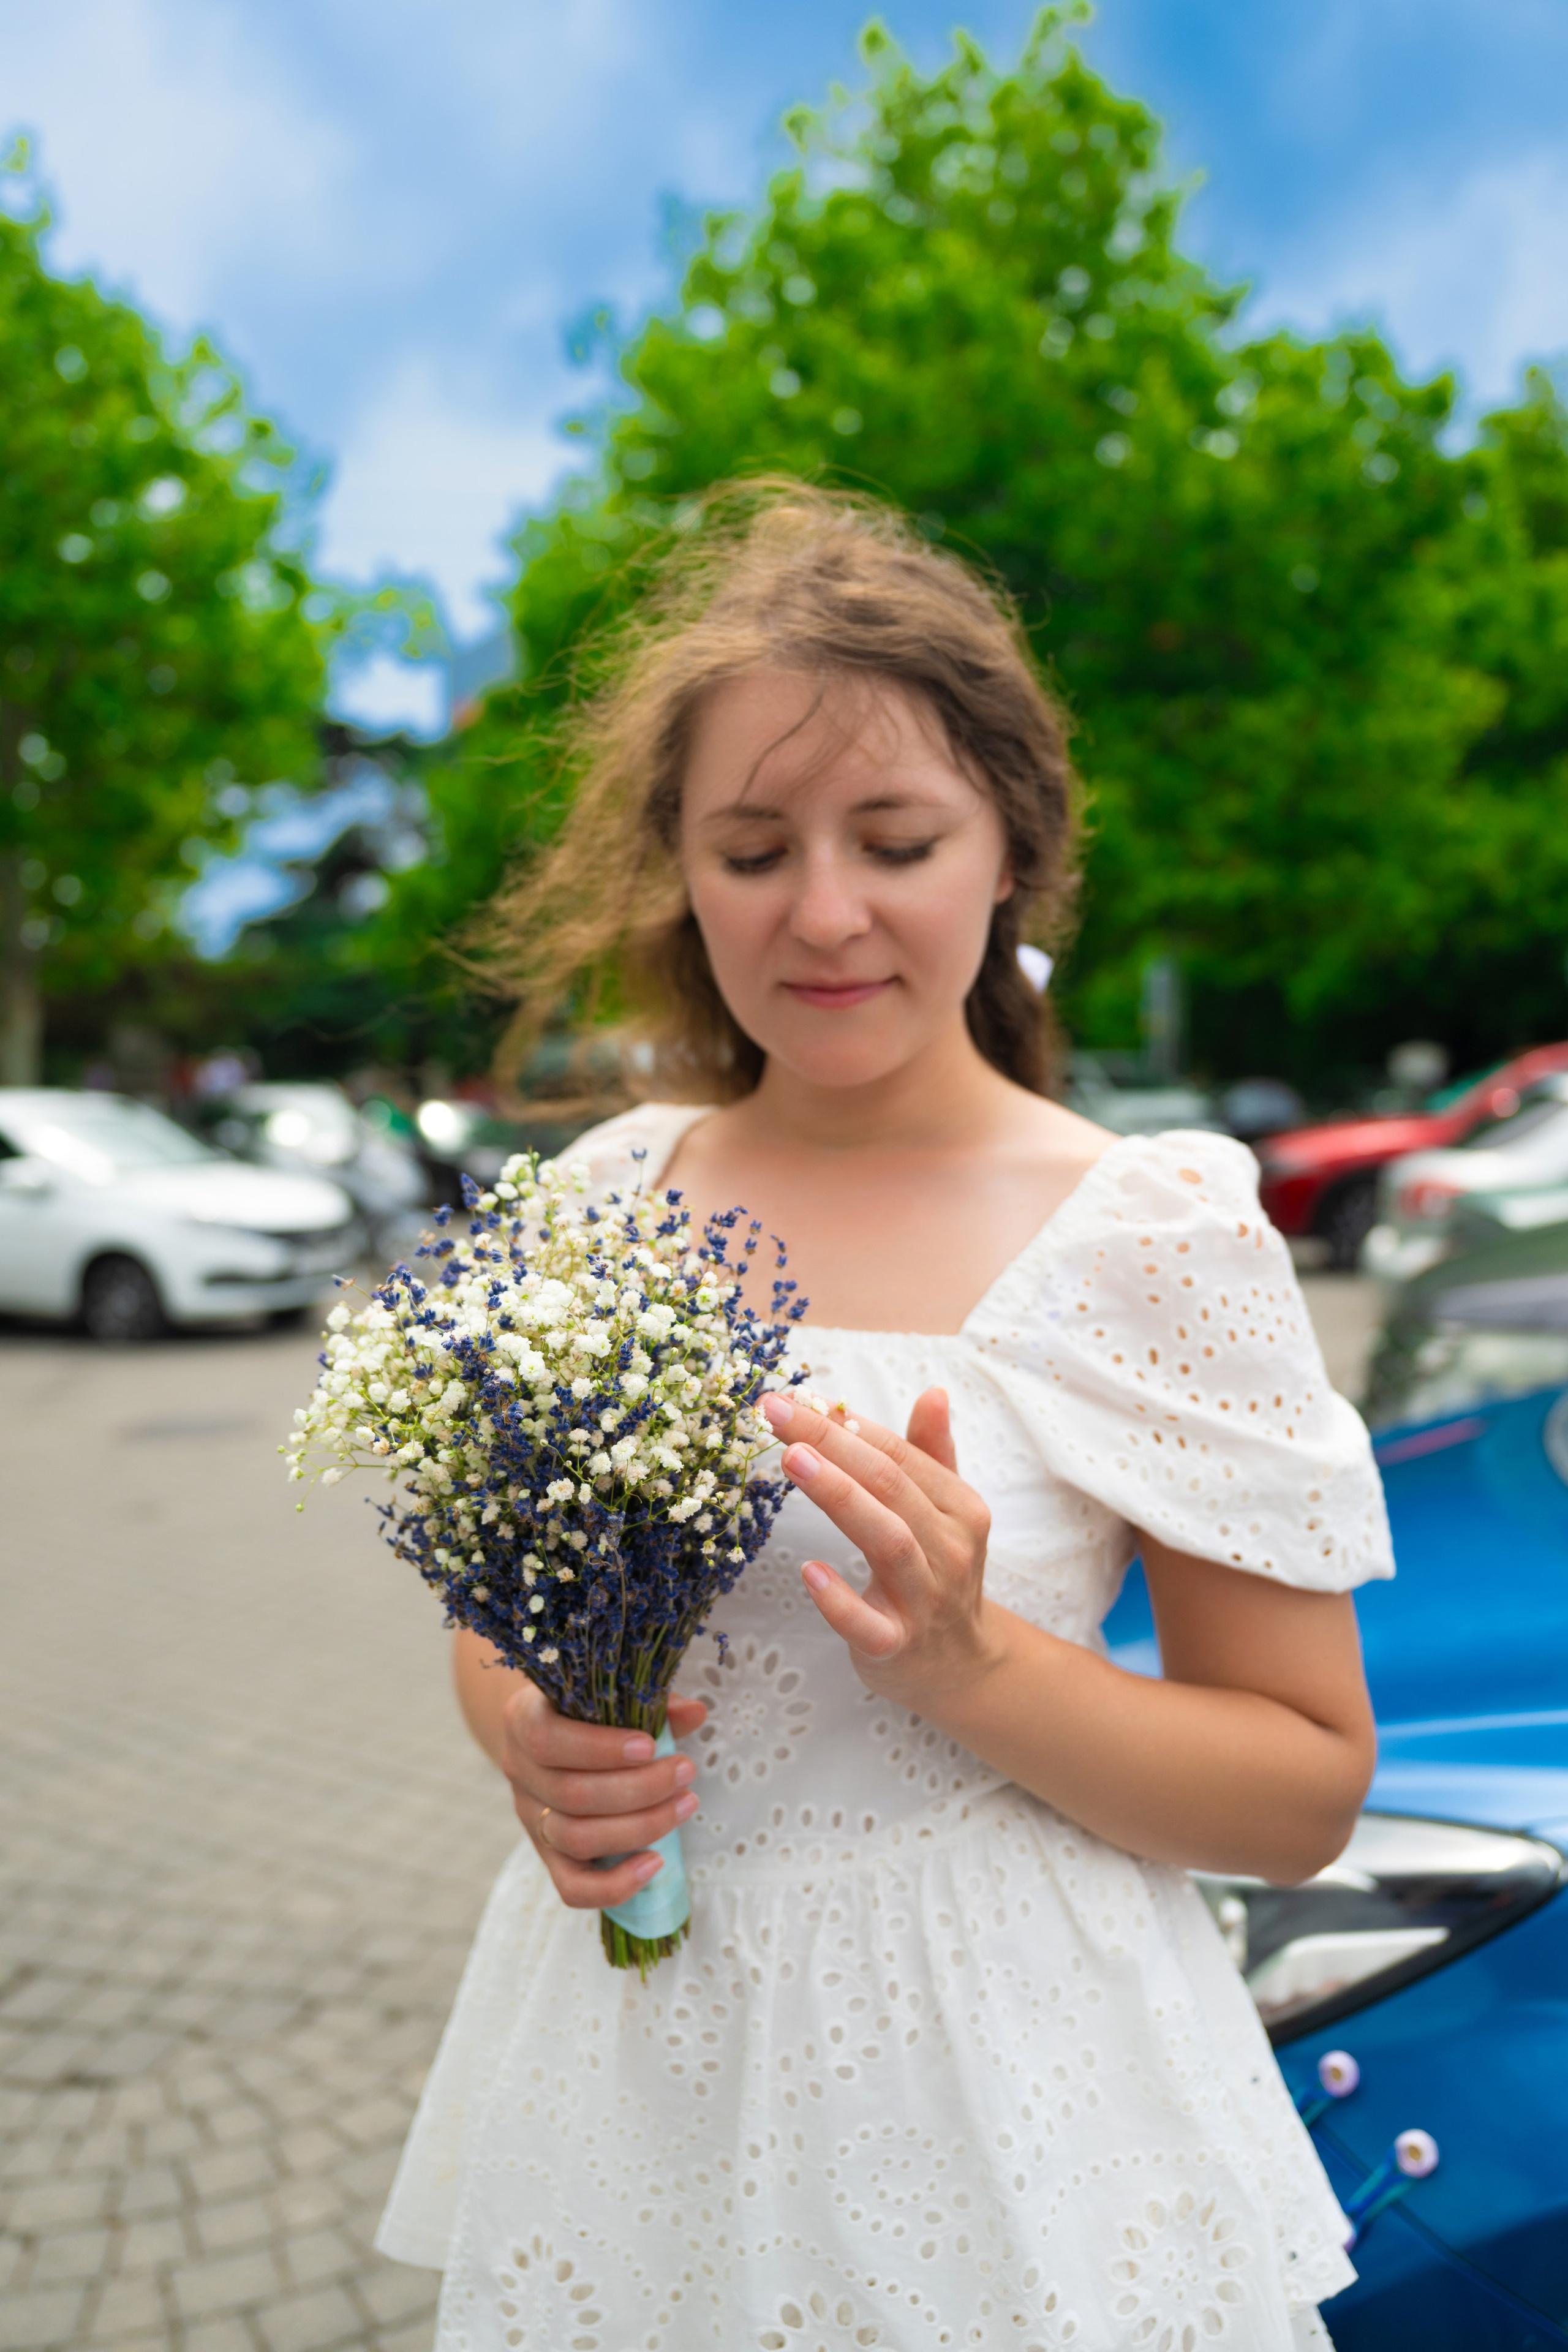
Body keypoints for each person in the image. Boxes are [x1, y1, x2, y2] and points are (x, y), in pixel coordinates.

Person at [375, 483, 1392, 2349]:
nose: (825, 912)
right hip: (633, 2070)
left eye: (897, 838)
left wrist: (973, 1664)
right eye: (753, 849)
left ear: (1011, 847)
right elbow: (491, 1622)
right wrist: (530, 1728)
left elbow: (1305, 1786)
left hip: (1016, 2110)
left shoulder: (1151, 1232)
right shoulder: (606, 1197)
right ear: (681, 867)